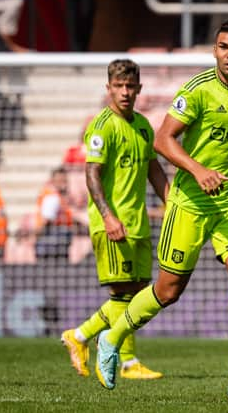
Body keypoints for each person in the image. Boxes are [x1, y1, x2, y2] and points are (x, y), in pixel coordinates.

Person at [94, 19, 228, 403]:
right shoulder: (197, 91)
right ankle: (112, 338)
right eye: (224, 47)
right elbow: (162, 139)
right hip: (190, 202)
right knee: (168, 290)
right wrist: (198, 170)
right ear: (215, 50)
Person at [60, 59, 169, 381]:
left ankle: (79, 336)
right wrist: (108, 216)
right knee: (123, 295)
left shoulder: (143, 126)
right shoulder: (103, 125)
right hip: (113, 223)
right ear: (109, 89)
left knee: (137, 294)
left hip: (137, 222)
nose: (124, 92)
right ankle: (128, 361)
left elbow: (153, 169)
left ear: (139, 89)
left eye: (129, 86)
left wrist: (172, 203)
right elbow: (91, 174)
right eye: (118, 86)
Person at [34, 166, 77, 262]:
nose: (64, 184)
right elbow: (46, 220)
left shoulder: (60, 197)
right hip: (52, 246)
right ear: (53, 181)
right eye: (60, 181)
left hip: (55, 244)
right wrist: (36, 237)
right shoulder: (52, 197)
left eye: (65, 181)